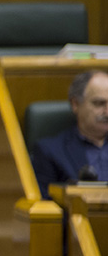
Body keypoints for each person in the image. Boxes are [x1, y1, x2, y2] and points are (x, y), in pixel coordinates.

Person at [31, 69, 108, 199]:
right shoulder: (50, 151)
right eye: (99, 104)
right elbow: (46, 208)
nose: (107, 112)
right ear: (75, 104)